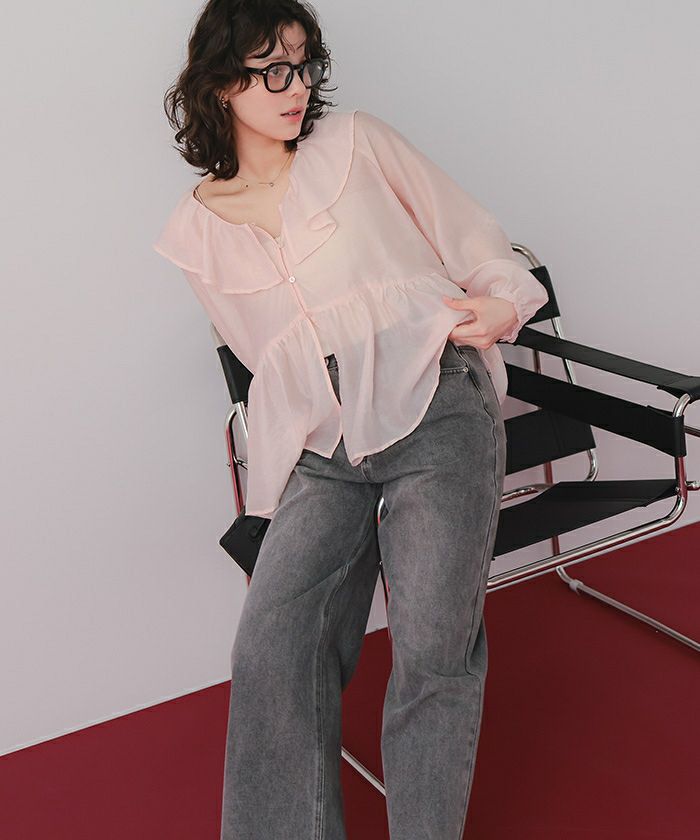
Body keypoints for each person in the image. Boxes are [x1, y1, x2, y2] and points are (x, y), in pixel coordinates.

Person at [153, 2, 549, 838]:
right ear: (220, 84)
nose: (295, 87)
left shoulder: (358, 143)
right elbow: (270, 370)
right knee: (272, 648)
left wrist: (502, 302)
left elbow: (473, 235)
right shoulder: (196, 231)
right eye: (272, 70)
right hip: (323, 445)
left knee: (433, 649)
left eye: (303, 65)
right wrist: (274, 495)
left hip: (436, 399)